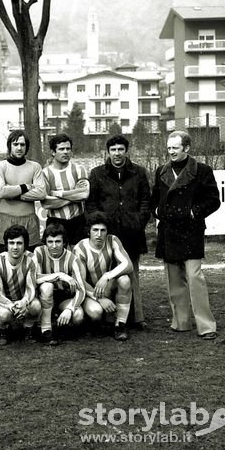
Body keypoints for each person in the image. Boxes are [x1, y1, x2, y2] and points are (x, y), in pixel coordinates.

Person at [150, 130, 221, 340]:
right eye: (169, 148)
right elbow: (155, 198)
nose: (171, 152)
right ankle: (181, 322)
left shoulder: (203, 171)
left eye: (175, 148)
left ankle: (206, 326)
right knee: (173, 279)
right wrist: (156, 212)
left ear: (187, 148)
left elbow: (214, 200)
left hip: (191, 231)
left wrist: (193, 212)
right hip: (169, 230)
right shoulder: (161, 171)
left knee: (194, 277)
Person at [86, 134, 151, 328]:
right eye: (113, 150)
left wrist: (139, 222)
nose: (117, 154)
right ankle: (111, 317)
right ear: (107, 152)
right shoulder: (97, 173)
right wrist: (100, 225)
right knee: (107, 275)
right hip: (107, 234)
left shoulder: (139, 172)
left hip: (132, 233)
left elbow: (146, 201)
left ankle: (137, 317)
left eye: (120, 149)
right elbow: (91, 204)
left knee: (132, 274)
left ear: (126, 151)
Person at [74, 213, 133, 341]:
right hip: (89, 292)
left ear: (107, 232)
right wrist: (100, 299)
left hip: (107, 286)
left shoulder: (113, 240)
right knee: (96, 312)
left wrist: (107, 276)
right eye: (95, 230)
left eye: (103, 230)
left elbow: (128, 264)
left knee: (125, 280)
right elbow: (81, 281)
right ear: (88, 231)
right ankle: (96, 323)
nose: (99, 234)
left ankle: (120, 325)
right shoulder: (80, 248)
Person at [0, 129, 46, 253]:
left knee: (30, 260)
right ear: (9, 146)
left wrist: (12, 193)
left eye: (22, 144)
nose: (19, 148)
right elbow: (1, 192)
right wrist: (25, 187)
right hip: (6, 220)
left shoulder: (35, 166)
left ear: (26, 147)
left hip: (29, 220)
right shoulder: (0, 167)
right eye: (15, 144)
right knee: (5, 261)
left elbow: (41, 193)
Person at [32, 223, 86, 345]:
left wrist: (70, 309)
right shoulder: (39, 252)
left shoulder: (72, 258)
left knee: (78, 316)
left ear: (64, 242)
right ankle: (45, 328)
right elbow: (33, 278)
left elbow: (81, 290)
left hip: (63, 298)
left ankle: (60, 326)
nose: (54, 246)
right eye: (50, 242)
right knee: (47, 286)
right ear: (45, 242)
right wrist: (59, 275)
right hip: (43, 297)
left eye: (58, 241)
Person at [0, 224, 42, 345]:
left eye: (19, 243)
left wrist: (24, 302)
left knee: (36, 306)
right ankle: (3, 331)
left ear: (25, 245)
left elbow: (31, 287)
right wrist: (11, 305)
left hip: (23, 298)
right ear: (6, 245)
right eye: (11, 243)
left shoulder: (31, 259)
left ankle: (27, 329)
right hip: (5, 301)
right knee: (4, 315)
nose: (15, 247)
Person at [41, 133, 89, 245]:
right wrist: (74, 195)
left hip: (78, 220)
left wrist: (58, 193)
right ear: (53, 152)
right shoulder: (45, 173)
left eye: (68, 149)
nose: (66, 152)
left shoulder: (79, 170)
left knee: (78, 257)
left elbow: (84, 195)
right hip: (55, 222)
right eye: (61, 149)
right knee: (56, 257)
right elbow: (47, 203)